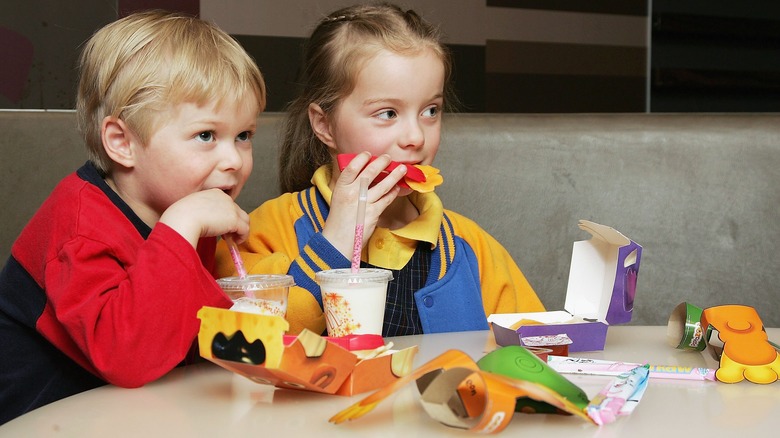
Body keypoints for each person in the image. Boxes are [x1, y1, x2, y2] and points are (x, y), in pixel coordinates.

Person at [0, 10, 266, 424]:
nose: (234, 160)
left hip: (133, 413)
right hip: (39, 418)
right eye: (205, 135)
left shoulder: (188, 206)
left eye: (244, 136)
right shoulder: (81, 227)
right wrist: (180, 227)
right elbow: (128, 359)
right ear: (122, 143)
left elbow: (188, 338)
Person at [216, 2, 544, 337]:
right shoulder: (261, 232)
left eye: (431, 110)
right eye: (387, 113)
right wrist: (335, 242)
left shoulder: (471, 247)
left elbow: (541, 351)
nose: (416, 137)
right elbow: (249, 348)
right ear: (325, 124)